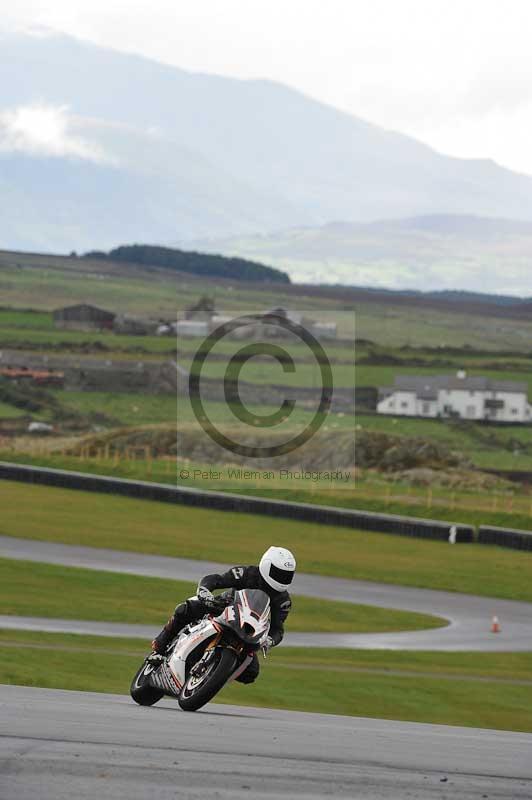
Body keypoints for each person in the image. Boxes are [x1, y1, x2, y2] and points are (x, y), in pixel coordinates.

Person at [148, 546, 296, 684]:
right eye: (279, 573)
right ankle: (159, 647)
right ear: (266, 565)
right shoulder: (247, 573)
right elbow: (217, 579)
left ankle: (212, 677)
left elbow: (277, 629)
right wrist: (205, 590)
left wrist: (270, 641)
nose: (282, 578)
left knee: (251, 672)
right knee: (186, 609)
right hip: (224, 608)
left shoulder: (283, 601)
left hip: (248, 630)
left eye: (287, 575)